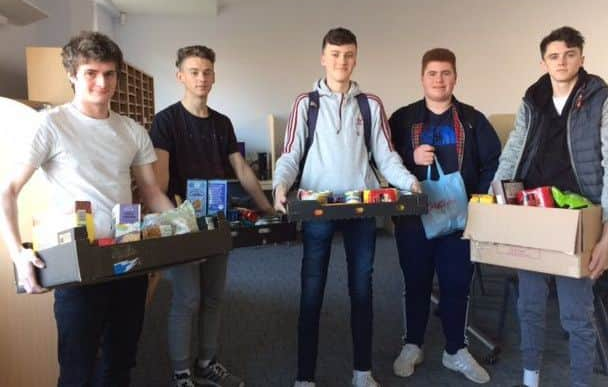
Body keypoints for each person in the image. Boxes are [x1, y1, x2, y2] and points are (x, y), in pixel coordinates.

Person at [0, 31, 175, 386]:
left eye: (109, 74)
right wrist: (17, 254)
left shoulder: (131, 130)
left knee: (121, 361)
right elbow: (8, 191)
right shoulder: (50, 124)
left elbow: (152, 190)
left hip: (127, 259)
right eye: (91, 73)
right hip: (77, 262)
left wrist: (180, 230)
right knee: (77, 367)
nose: (102, 83)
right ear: (72, 75)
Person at [273, 27, 421, 387]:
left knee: (362, 289)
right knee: (312, 291)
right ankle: (305, 377)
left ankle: (362, 372)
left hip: (361, 209)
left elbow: (386, 156)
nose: (342, 61)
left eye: (349, 55)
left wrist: (408, 182)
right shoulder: (304, 104)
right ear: (323, 57)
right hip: (317, 208)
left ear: (356, 58)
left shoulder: (370, 104)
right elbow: (291, 152)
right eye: (335, 55)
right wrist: (281, 184)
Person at [493, 26, 608, 387]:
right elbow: (513, 153)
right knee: (530, 306)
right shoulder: (532, 100)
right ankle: (530, 377)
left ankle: (580, 382)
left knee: (576, 314)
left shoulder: (606, 100)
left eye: (570, 54)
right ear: (544, 62)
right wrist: (495, 199)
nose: (562, 61)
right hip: (533, 210)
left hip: (579, 217)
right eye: (554, 56)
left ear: (582, 58)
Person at [150, 45, 273, 387]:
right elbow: (158, 182)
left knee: (214, 296)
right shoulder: (165, 121)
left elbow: (241, 170)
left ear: (214, 76)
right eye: (194, 72)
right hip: (183, 225)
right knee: (187, 298)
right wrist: (176, 221)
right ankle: (182, 372)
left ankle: (206, 362)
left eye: (206, 71)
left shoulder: (222, 123)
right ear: (180, 76)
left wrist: (266, 206)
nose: (201, 78)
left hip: (217, 222)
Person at [388, 48, 500, 384]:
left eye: (446, 73)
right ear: (422, 78)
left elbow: (494, 162)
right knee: (416, 283)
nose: (439, 80)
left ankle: (456, 350)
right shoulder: (402, 118)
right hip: (413, 220)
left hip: (459, 221)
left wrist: (478, 201)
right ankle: (412, 345)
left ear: (455, 76)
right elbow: (383, 158)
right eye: (433, 74)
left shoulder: (473, 119)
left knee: (456, 284)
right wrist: (411, 155)